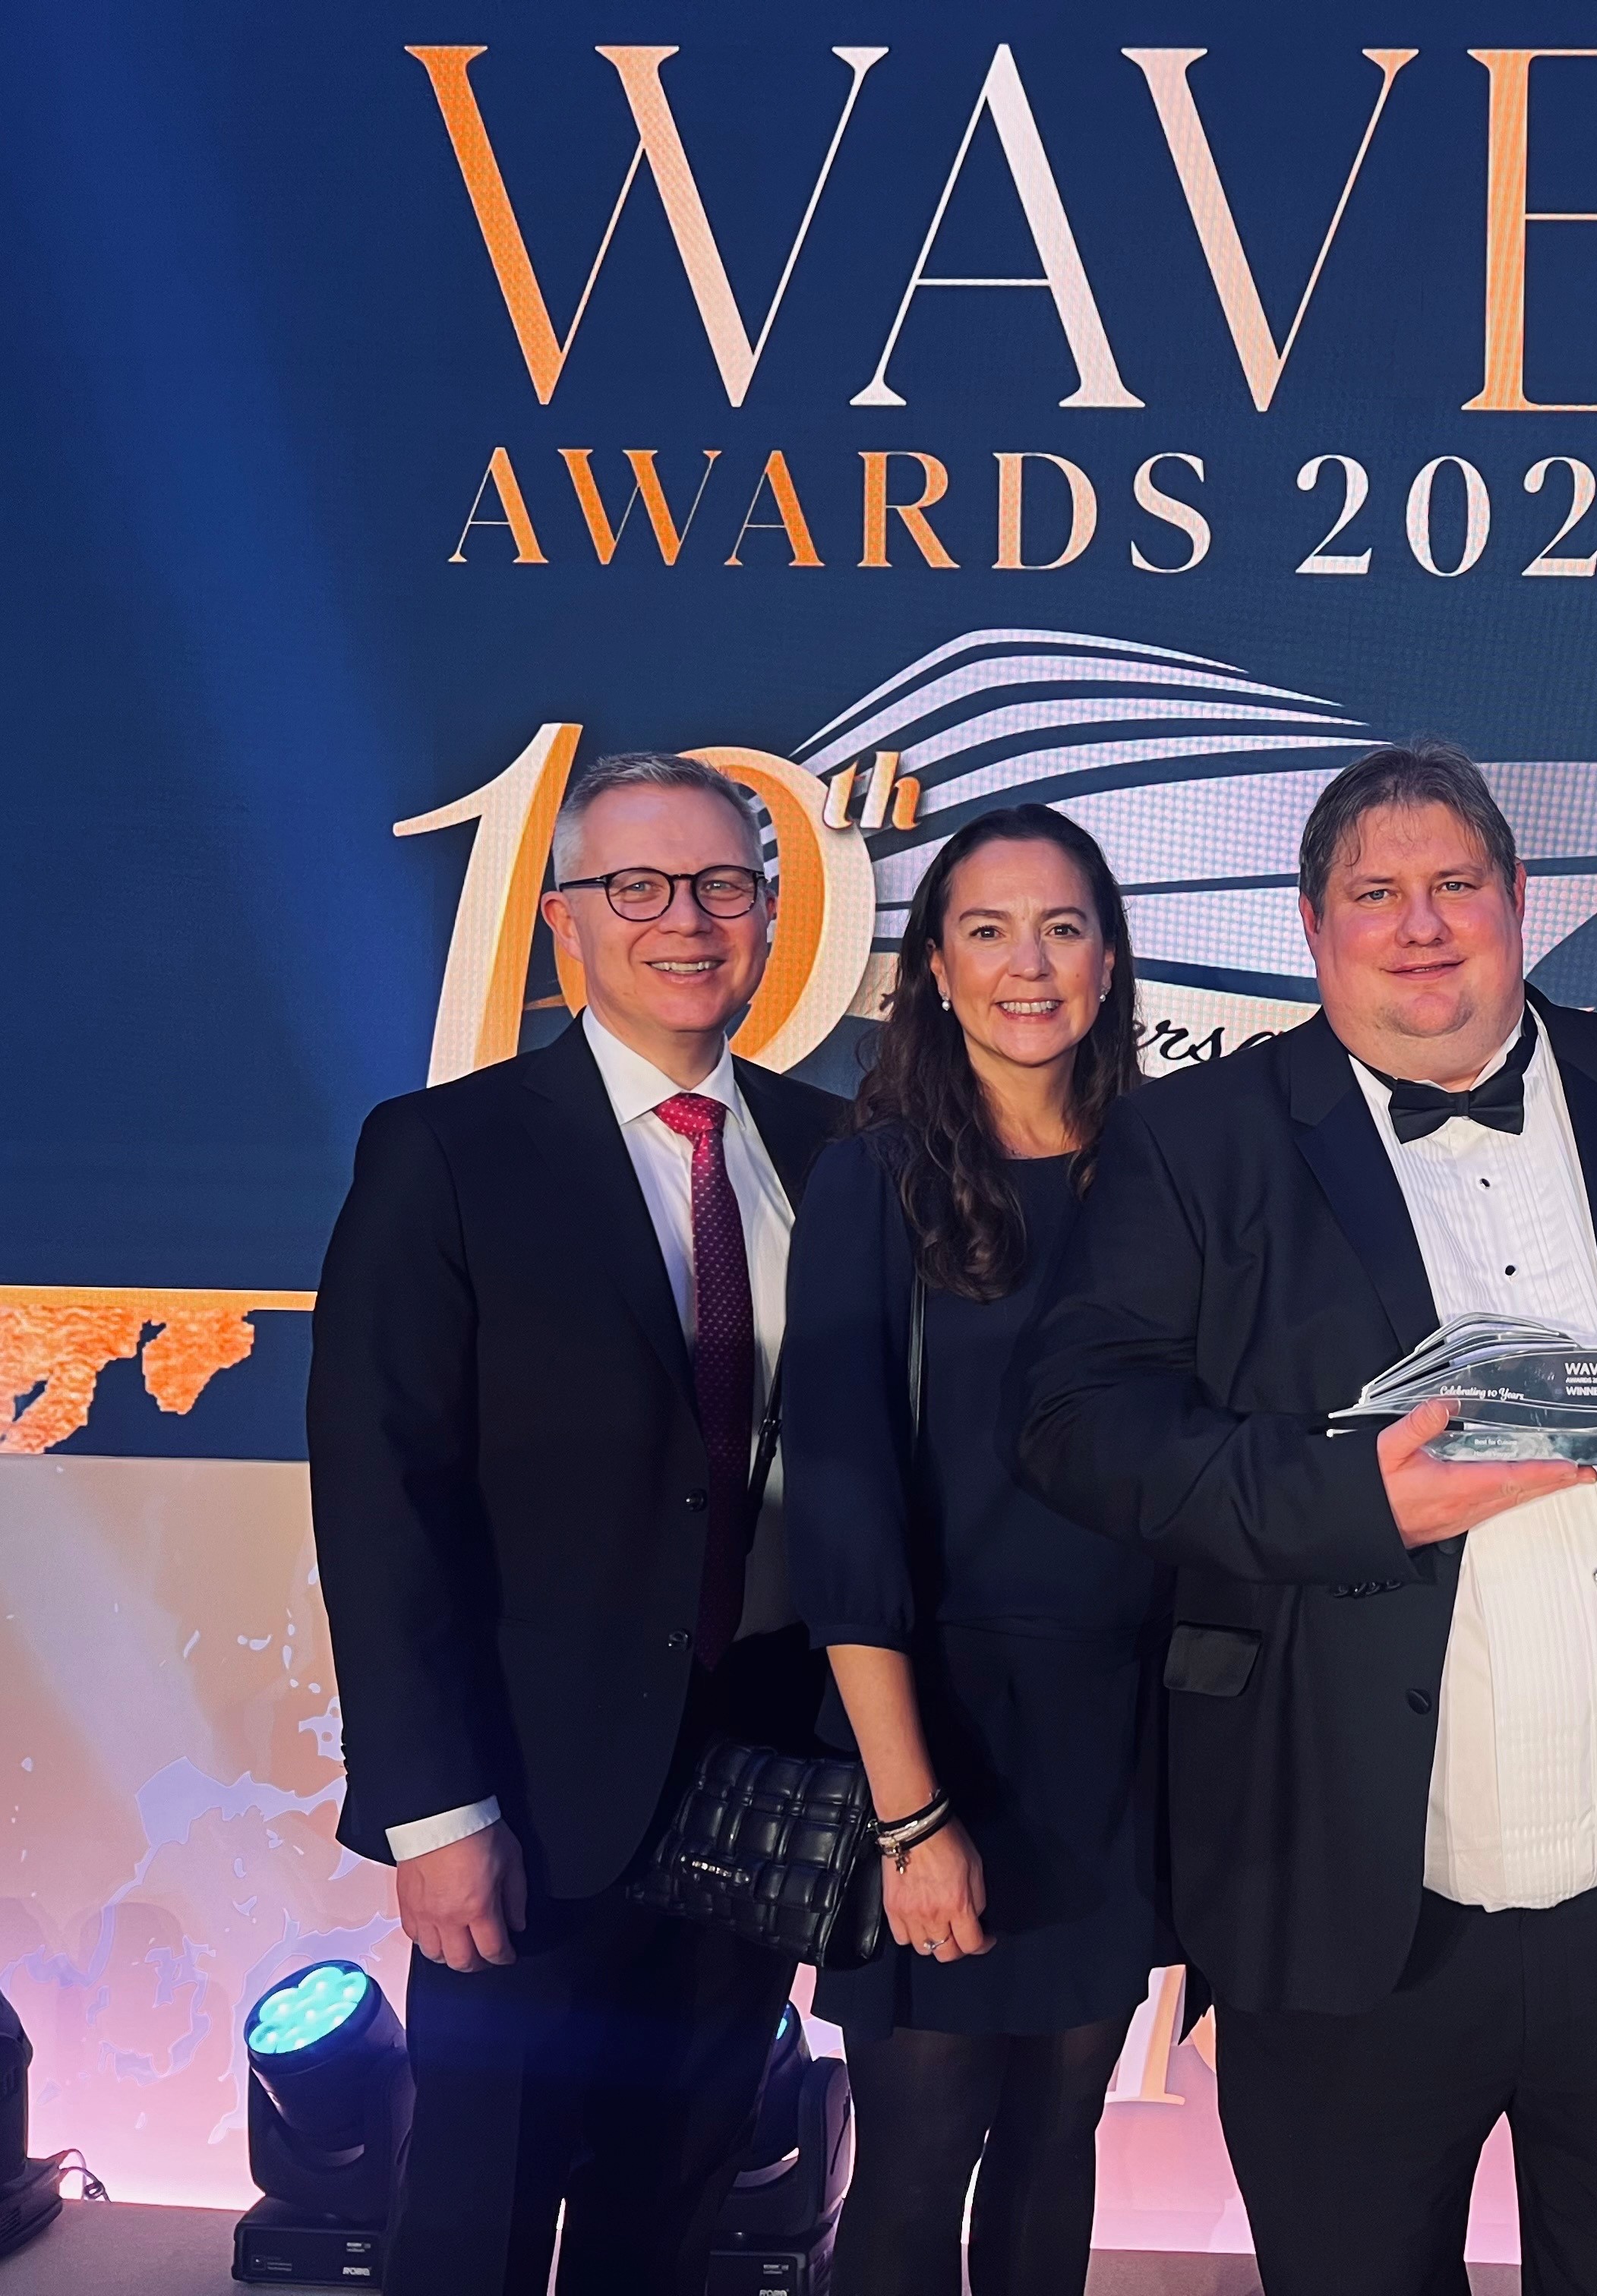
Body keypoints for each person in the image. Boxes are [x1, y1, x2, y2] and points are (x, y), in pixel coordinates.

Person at [1015, 740, 1597, 2296]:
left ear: (1520, 899)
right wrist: (1351, 1498)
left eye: (1455, 883)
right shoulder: (1195, 1140)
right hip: (1350, 1891)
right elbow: (1080, 1429)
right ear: (1312, 925)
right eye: (1374, 893)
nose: (1420, 925)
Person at [308, 751, 844, 2294]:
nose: (687, 919)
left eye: (722, 885)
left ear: (767, 916)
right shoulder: (445, 1153)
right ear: (565, 923)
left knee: (670, 2217)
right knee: (474, 2223)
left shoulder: (835, 1154)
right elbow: (380, 1494)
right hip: (527, 1806)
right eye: (639, 886)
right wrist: (434, 1814)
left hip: (760, 1785)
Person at [782, 806, 1155, 2296]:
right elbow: (843, 1507)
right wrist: (910, 1816)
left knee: (1059, 2144)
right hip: (935, 1733)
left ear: (1110, 959)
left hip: (1119, 1746)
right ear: (934, 968)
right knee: (919, 2159)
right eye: (987, 931)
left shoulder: (1166, 1177)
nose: (1029, 965)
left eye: (1062, 928)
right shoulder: (873, 1182)